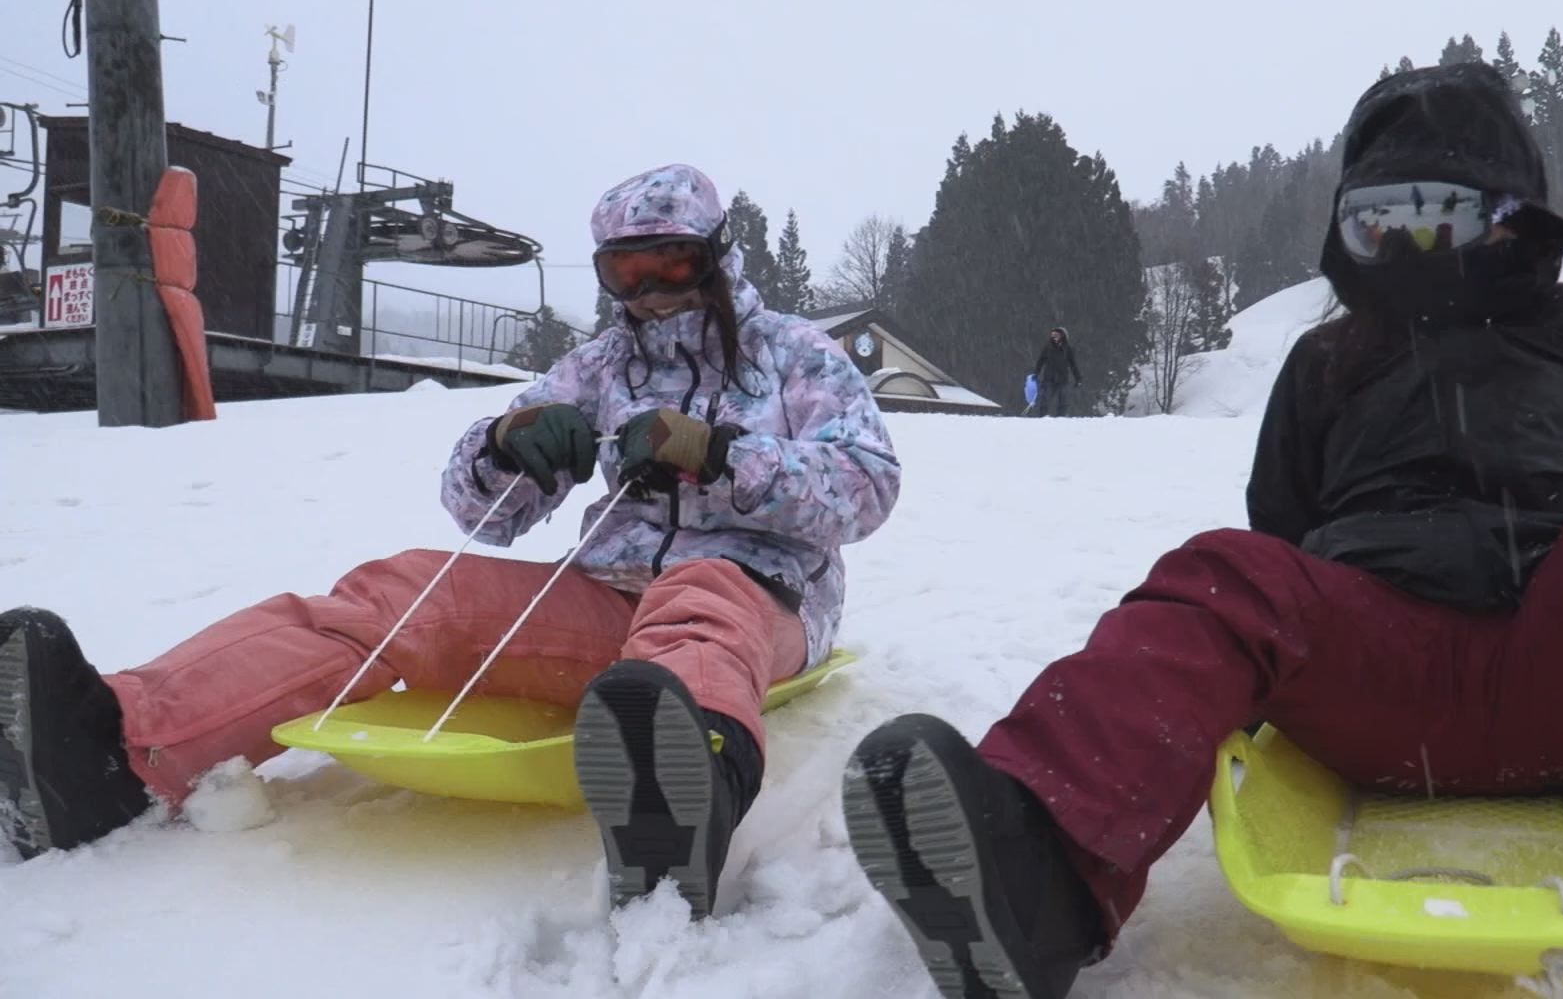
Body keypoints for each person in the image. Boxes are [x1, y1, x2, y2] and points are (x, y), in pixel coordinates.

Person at [840, 64, 1563, 998]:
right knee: (1224, 572)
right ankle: (1042, 864)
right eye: (1381, 220)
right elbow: (1283, 525)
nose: (1411, 246)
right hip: (1383, 682)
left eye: (1441, 216)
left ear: (1512, 218)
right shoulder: (1324, 360)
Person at [0, 163, 901, 919]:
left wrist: (719, 454)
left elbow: (867, 486)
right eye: (626, 273)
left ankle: (682, 805)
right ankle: (116, 749)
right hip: (604, 603)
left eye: (671, 262)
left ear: (715, 255)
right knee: (402, 590)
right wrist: (511, 447)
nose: (651, 291)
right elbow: (484, 515)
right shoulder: (597, 369)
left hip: (758, 597)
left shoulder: (793, 357)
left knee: (700, 602)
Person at [1030, 326, 1081, 416]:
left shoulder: (1068, 349)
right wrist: (1036, 373)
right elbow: (1040, 361)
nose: (1054, 336)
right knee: (1045, 400)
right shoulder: (1048, 348)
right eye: (1052, 335)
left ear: (1063, 336)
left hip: (1063, 379)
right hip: (1049, 378)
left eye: (1056, 335)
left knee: (1064, 401)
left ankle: (1061, 419)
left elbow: (1073, 365)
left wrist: (1078, 378)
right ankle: (1042, 418)